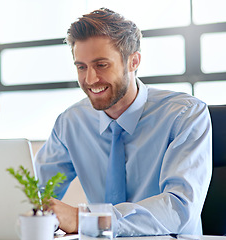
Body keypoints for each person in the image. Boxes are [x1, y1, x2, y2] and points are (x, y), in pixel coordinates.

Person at [34, 8, 212, 236]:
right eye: (81, 67)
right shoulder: (71, 123)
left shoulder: (184, 115)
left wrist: (88, 219)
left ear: (133, 61)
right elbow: (36, 194)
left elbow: (179, 208)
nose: (90, 79)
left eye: (101, 65)